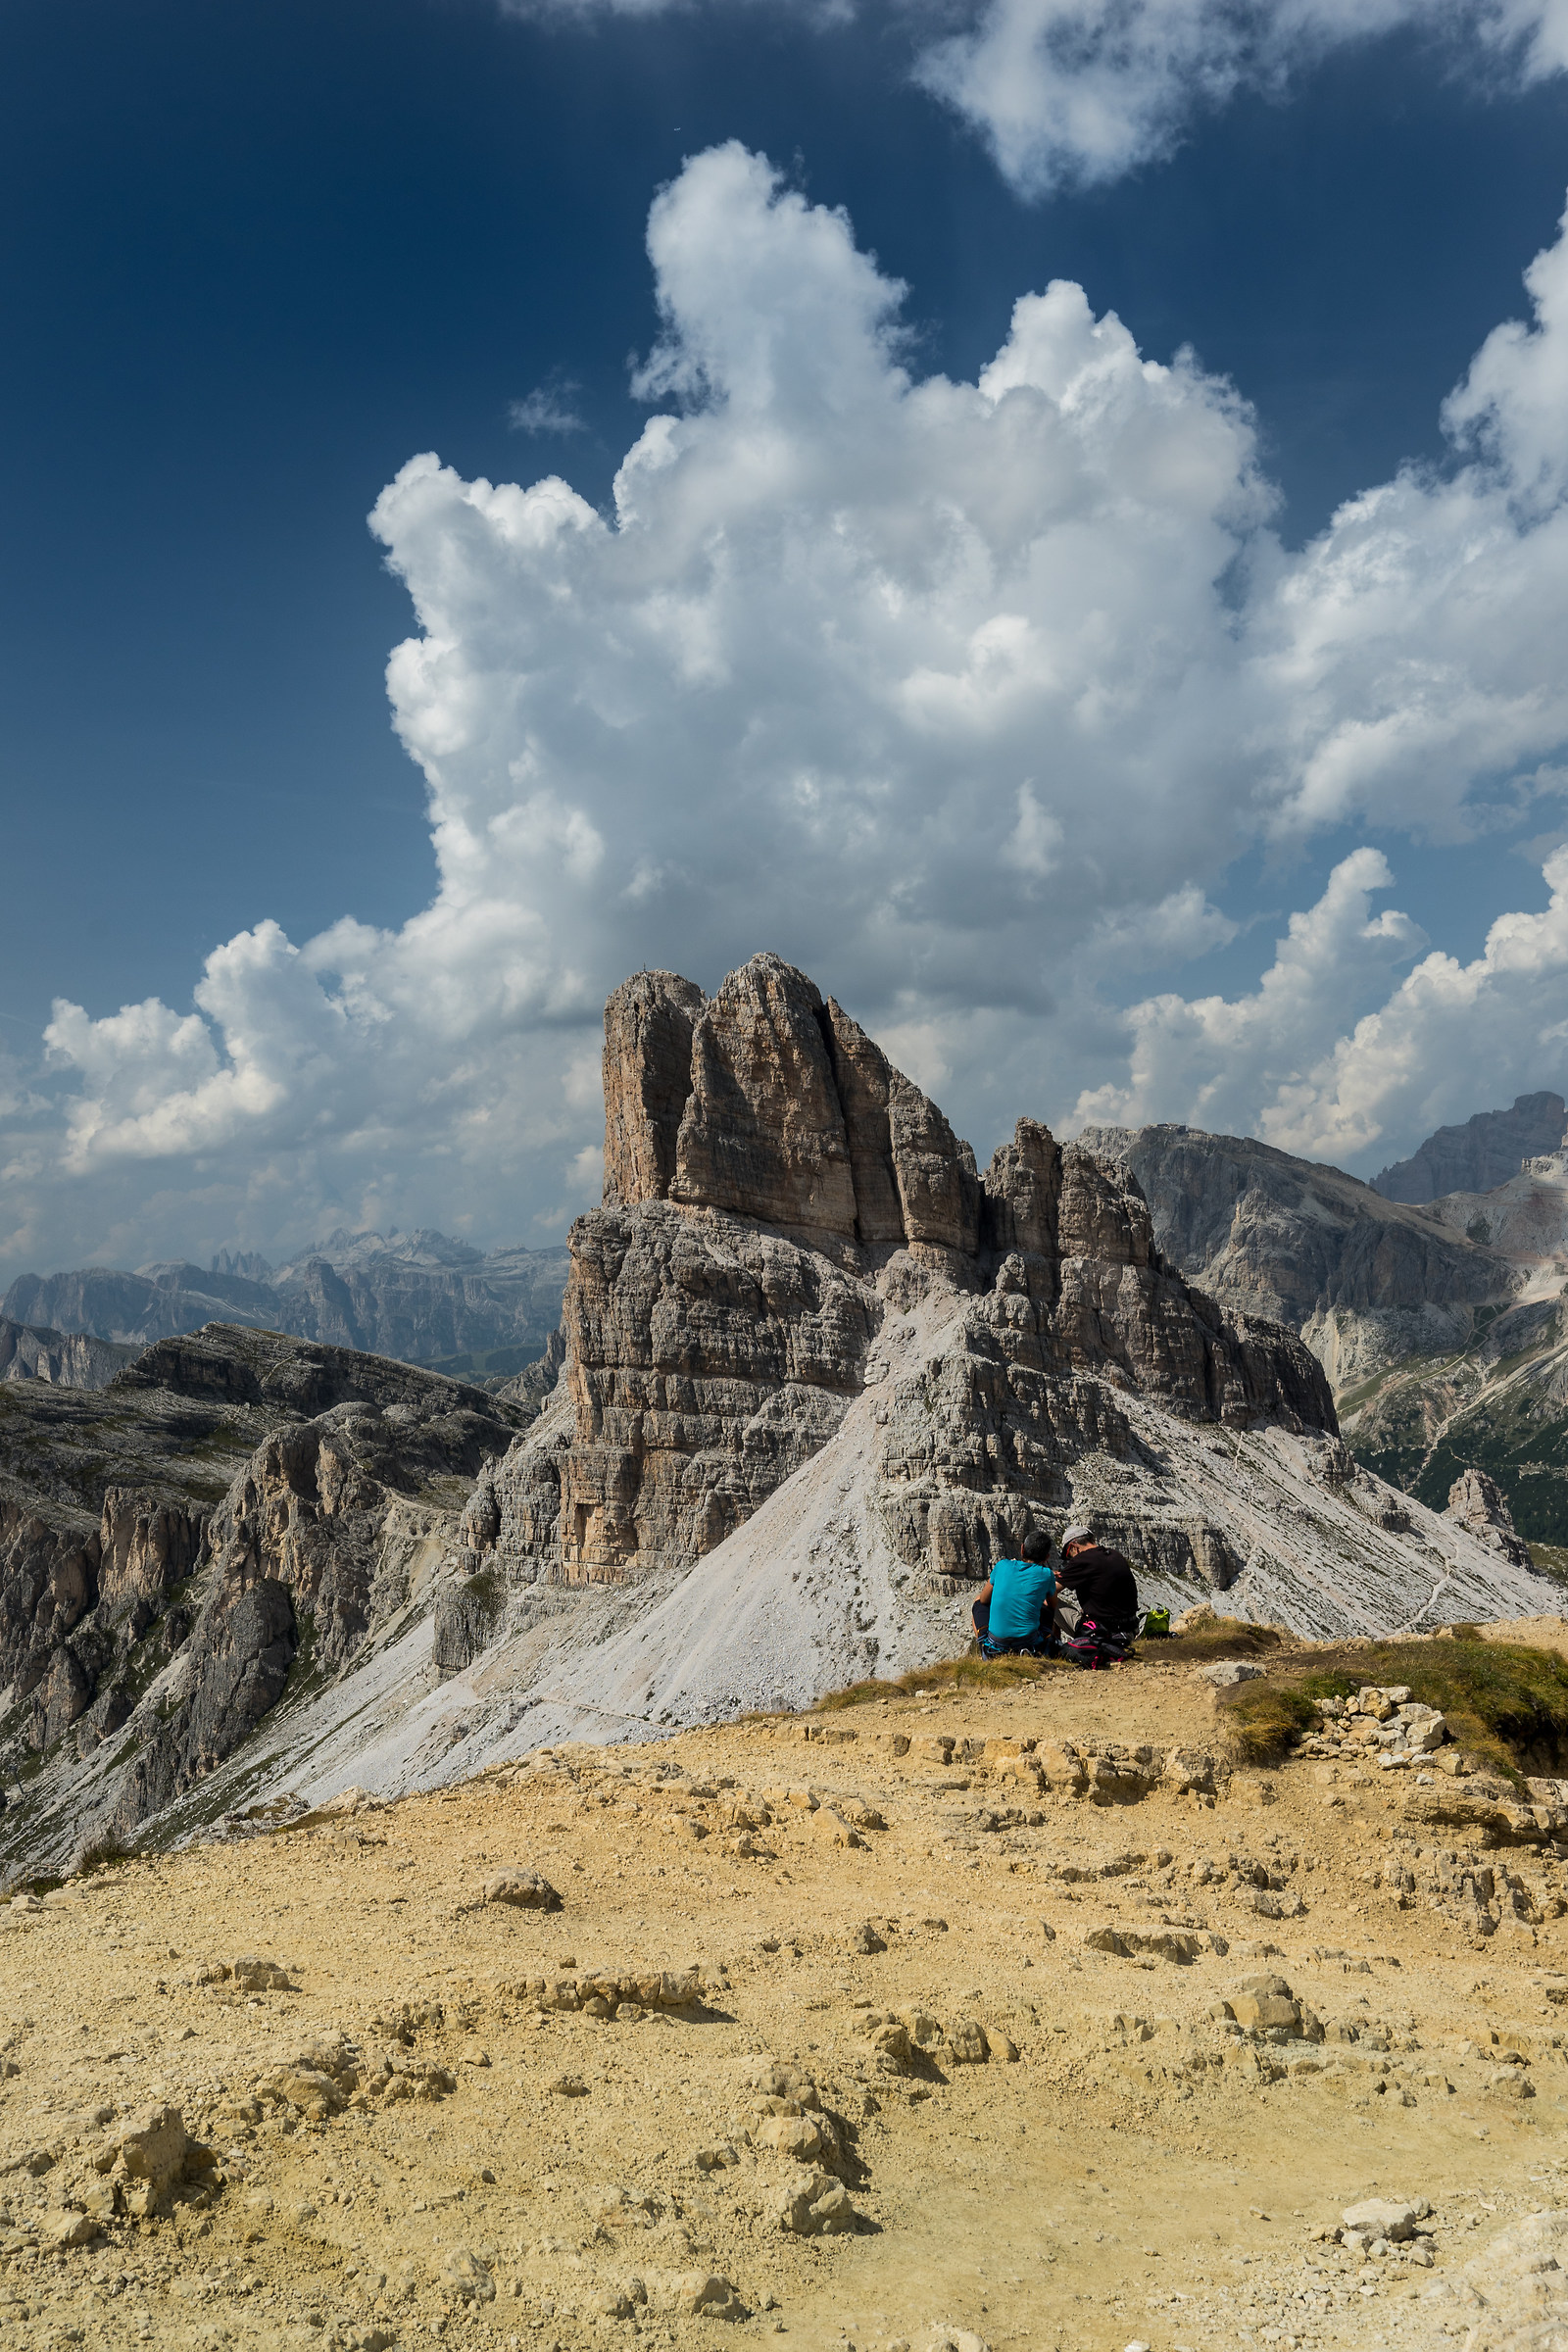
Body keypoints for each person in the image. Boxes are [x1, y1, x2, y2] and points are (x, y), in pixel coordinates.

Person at [1054, 1522, 1139, 1668]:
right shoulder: (1115, 1555)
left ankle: (1052, 1649)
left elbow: (1050, 1590)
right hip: (1128, 1630)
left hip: (1100, 1632)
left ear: (1074, 1546)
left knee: (1046, 1600)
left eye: (1069, 1555)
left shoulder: (1082, 1560)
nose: (1070, 1560)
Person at [971, 1531, 1057, 1658]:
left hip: (997, 1644)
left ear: (1022, 1548)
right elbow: (1053, 1605)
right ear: (1047, 1557)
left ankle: (984, 1649)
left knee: (978, 1601)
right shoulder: (1047, 1574)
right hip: (1029, 1644)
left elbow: (984, 1599)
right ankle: (1048, 1647)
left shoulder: (1001, 1565)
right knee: (1048, 1611)